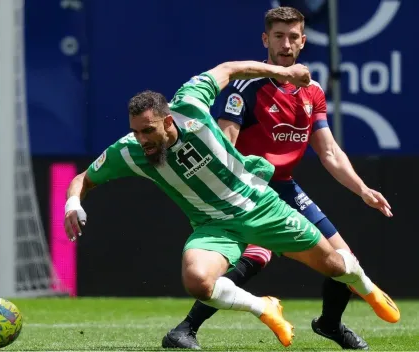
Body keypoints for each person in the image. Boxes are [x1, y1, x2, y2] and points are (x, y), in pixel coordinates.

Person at [64, 60, 400, 349]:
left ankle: (368, 288)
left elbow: (229, 68)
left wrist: (283, 72)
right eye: (136, 132)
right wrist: (72, 204)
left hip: (260, 205)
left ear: (168, 121)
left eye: (147, 131)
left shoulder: (191, 103)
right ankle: (264, 307)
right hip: (214, 226)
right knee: (197, 281)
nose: (142, 140)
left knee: (336, 267)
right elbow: (83, 178)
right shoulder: (130, 151)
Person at [161, 6, 394, 351]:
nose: (286, 44)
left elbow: (328, 151)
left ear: (303, 41)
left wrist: (361, 189)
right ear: (265, 39)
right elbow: (225, 142)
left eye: (293, 37)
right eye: (278, 36)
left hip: (285, 187)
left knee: (346, 263)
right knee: (255, 256)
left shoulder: (312, 91)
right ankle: (185, 330)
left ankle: (329, 324)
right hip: (248, 190)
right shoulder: (247, 87)